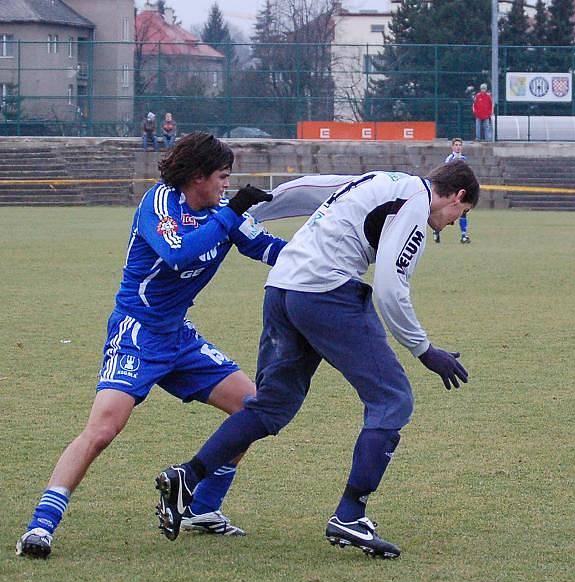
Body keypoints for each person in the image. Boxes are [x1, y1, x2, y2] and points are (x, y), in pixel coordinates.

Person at [153, 161, 480, 559]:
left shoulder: (382, 179)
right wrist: (425, 350)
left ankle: (188, 476)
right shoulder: (415, 204)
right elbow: (391, 289)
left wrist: (258, 207)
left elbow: (312, 188)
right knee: (392, 399)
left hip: (282, 288)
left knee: (271, 407)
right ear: (458, 196)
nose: (448, 223)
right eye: (460, 215)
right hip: (327, 292)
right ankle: (350, 515)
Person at [16, 132, 287, 559]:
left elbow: (272, 250)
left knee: (252, 408)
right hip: (136, 332)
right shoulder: (159, 202)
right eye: (221, 176)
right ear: (197, 177)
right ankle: (40, 526)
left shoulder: (223, 211)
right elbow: (177, 252)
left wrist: (332, 253)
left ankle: (202, 509)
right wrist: (231, 213)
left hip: (178, 336)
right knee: (104, 429)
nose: (226, 185)